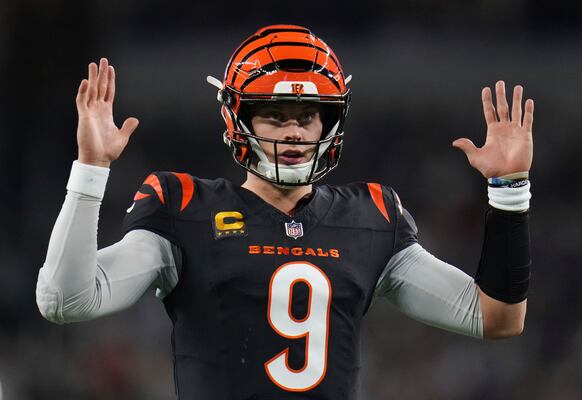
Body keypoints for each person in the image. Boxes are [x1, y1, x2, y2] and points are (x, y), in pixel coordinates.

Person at [36, 24, 533, 399]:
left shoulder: (371, 216)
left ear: (329, 123)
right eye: (274, 115)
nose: (293, 132)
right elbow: (67, 300)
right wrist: (90, 170)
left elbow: (496, 317)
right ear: (238, 117)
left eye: (307, 116)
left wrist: (509, 191)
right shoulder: (183, 207)